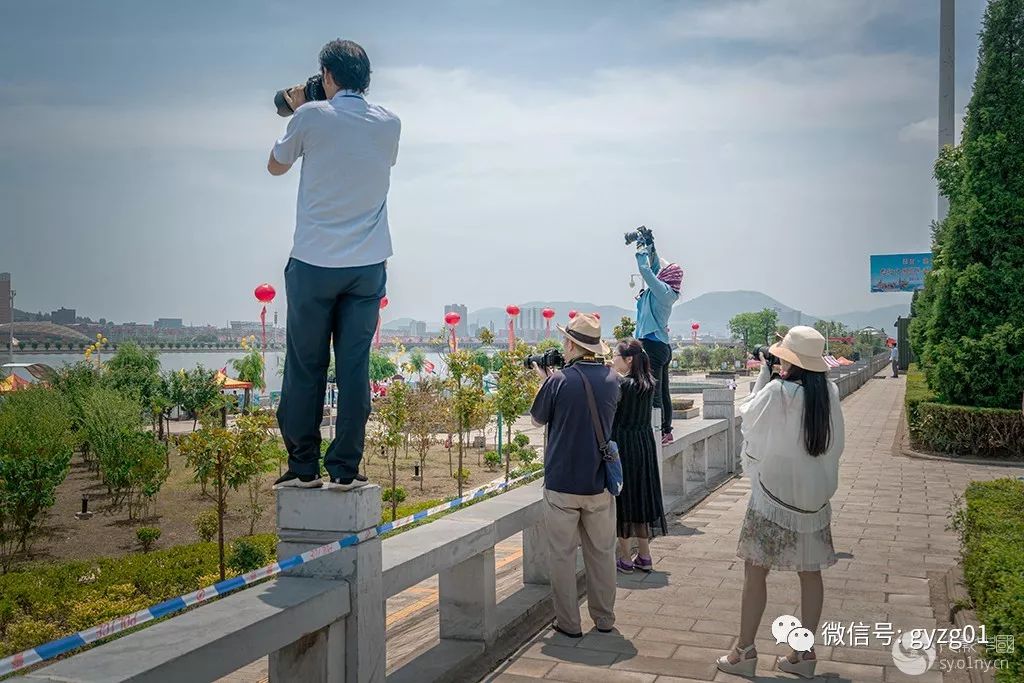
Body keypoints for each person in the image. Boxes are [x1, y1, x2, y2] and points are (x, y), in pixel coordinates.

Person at [269, 39, 401, 491]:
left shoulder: (309, 115)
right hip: (366, 267)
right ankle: (345, 467)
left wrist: (301, 102)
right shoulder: (389, 123)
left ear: (327, 75)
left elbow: (276, 165)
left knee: (306, 365)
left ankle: (303, 466)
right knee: (354, 367)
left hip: (313, 262)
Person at [716, 326, 845, 679]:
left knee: (756, 571)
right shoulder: (829, 392)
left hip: (772, 497)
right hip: (813, 500)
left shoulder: (778, 391)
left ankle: (744, 651)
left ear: (788, 359)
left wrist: (764, 372)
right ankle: (803, 655)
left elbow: (750, 421)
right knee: (810, 573)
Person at [530, 314, 621, 638]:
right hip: (598, 484)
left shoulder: (558, 381)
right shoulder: (612, 380)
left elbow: (538, 419)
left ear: (571, 344)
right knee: (601, 554)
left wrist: (545, 378)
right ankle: (605, 618)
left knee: (562, 557)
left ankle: (568, 623)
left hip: (562, 485)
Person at [609, 339, 666, 574]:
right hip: (644, 445)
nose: (612, 360)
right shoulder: (648, 383)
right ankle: (644, 555)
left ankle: (625, 558)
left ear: (628, 359)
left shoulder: (621, 385)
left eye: (615, 355)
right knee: (641, 499)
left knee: (623, 501)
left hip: (624, 445)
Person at [634, 242, 682, 445]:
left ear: (667, 277)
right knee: (663, 391)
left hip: (653, 347)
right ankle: (666, 430)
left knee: (653, 391)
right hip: (660, 345)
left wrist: (640, 252)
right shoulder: (665, 291)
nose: (660, 273)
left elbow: (646, 271)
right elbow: (653, 268)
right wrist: (651, 246)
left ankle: (657, 431)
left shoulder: (662, 291)